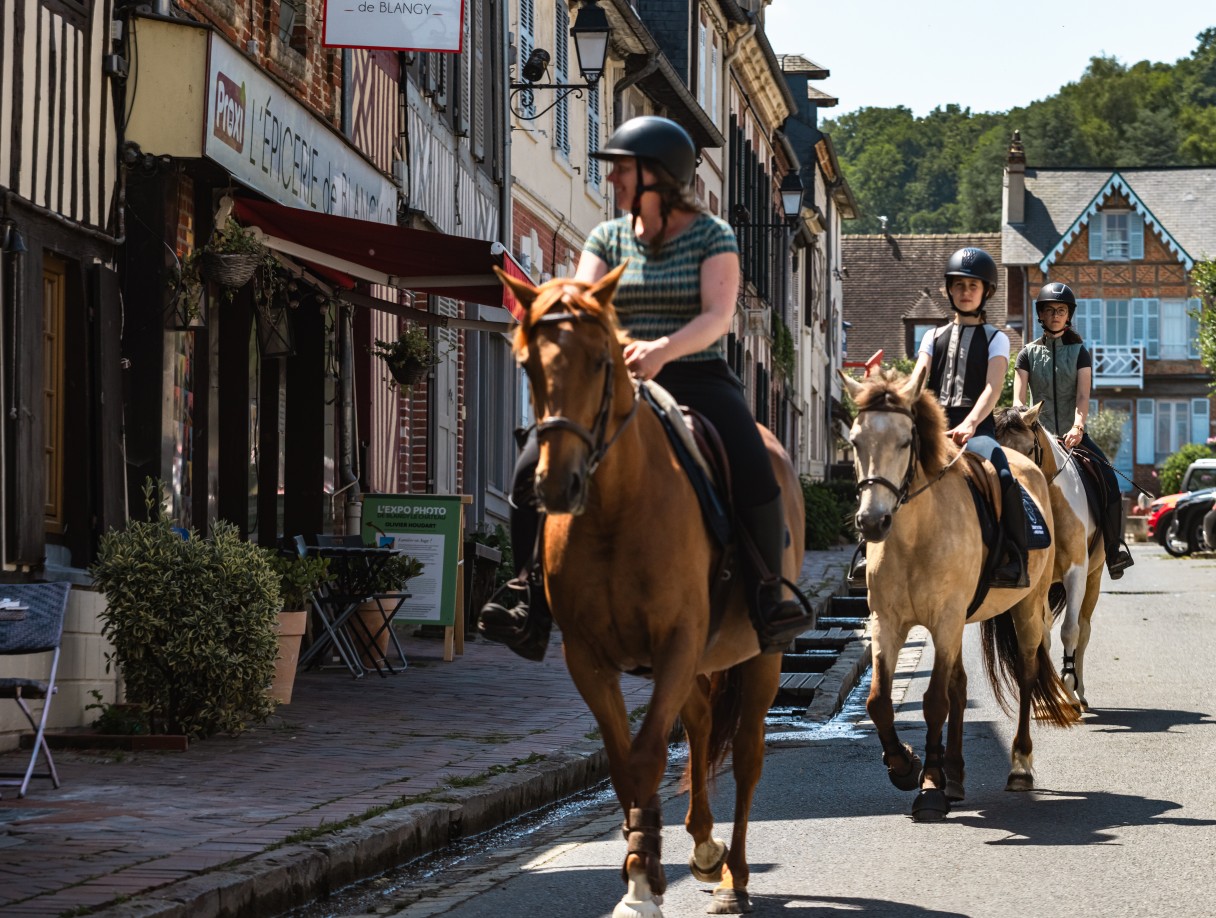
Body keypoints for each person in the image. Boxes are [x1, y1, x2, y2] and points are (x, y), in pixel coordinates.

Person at [478, 115, 815, 660]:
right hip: (617, 378)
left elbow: (717, 315)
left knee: (755, 463)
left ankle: (768, 596)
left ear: (658, 175)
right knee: (529, 466)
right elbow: (584, 302)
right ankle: (527, 598)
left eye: (623, 171)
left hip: (697, 373)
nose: (612, 181)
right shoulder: (606, 237)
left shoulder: (712, 235)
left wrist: (662, 350)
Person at [851, 246, 1030, 588]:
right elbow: (917, 380)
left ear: (986, 292)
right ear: (949, 289)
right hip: (932, 430)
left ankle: (1014, 557)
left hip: (977, 428)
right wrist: (880, 390)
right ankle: (867, 548)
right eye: (959, 285)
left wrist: (971, 422)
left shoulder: (998, 338)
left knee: (1004, 475)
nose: (965, 292)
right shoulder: (932, 336)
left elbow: (992, 389)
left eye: (972, 286)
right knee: (880, 465)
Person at [1013, 281, 1134, 578]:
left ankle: (1114, 549)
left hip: (1071, 435)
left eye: (1061, 310)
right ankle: (1004, 551)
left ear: (1069, 316)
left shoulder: (1080, 352)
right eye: (1050, 310)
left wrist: (1078, 426)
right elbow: (1018, 397)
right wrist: (1020, 417)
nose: (1055, 315)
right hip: (1037, 436)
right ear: (1041, 314)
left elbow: (1082, 396)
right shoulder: (1027, 353)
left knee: (1109, 480)